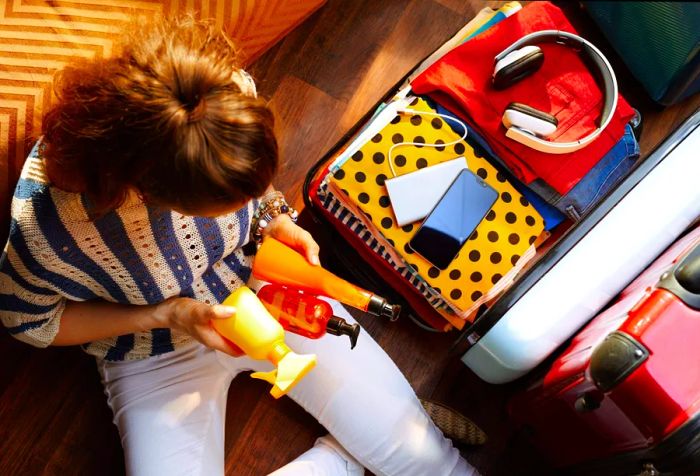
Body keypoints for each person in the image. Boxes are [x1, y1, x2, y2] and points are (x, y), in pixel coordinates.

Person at [0, 15, 479, 476]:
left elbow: (250, 186)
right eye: (227, 204)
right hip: (156, 352)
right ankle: (349, 454)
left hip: (271, 296)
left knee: (430, 462)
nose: (244, 206)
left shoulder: (223, 93)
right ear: (151, 196)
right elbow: (32, 322)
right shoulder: (51, 228)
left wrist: (273, 216)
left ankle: (384, 429)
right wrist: (166, 315)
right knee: (393, 437)